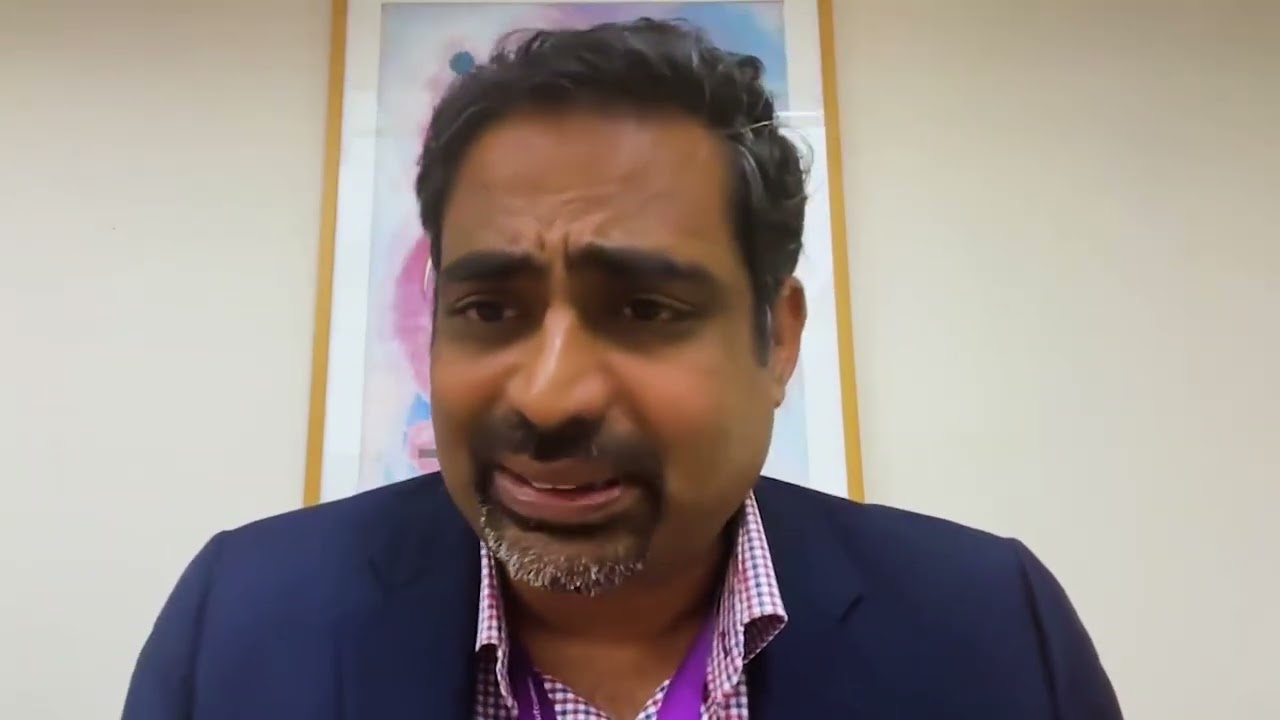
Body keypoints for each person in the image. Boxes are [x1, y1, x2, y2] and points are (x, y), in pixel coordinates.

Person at [123, 19, 1122, 720]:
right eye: (489, 310)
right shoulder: (241, 627)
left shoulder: (991, 632)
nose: (550, 394)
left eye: (644, 310)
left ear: (776, 337)